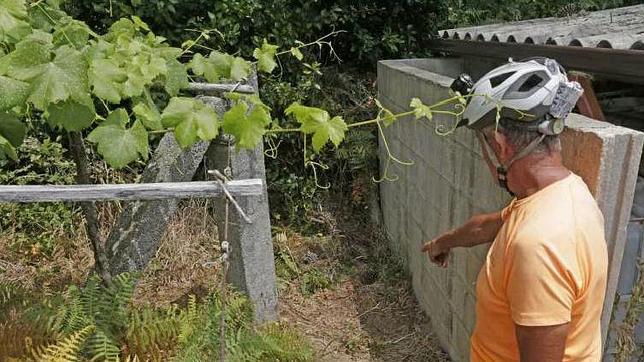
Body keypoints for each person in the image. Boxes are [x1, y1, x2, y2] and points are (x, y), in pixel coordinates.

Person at [421, 58, 608, 362]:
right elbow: (489, 225)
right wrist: (443, 243)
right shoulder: (562, 193)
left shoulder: (538, 245)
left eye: (481, 142)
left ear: (500, 143)